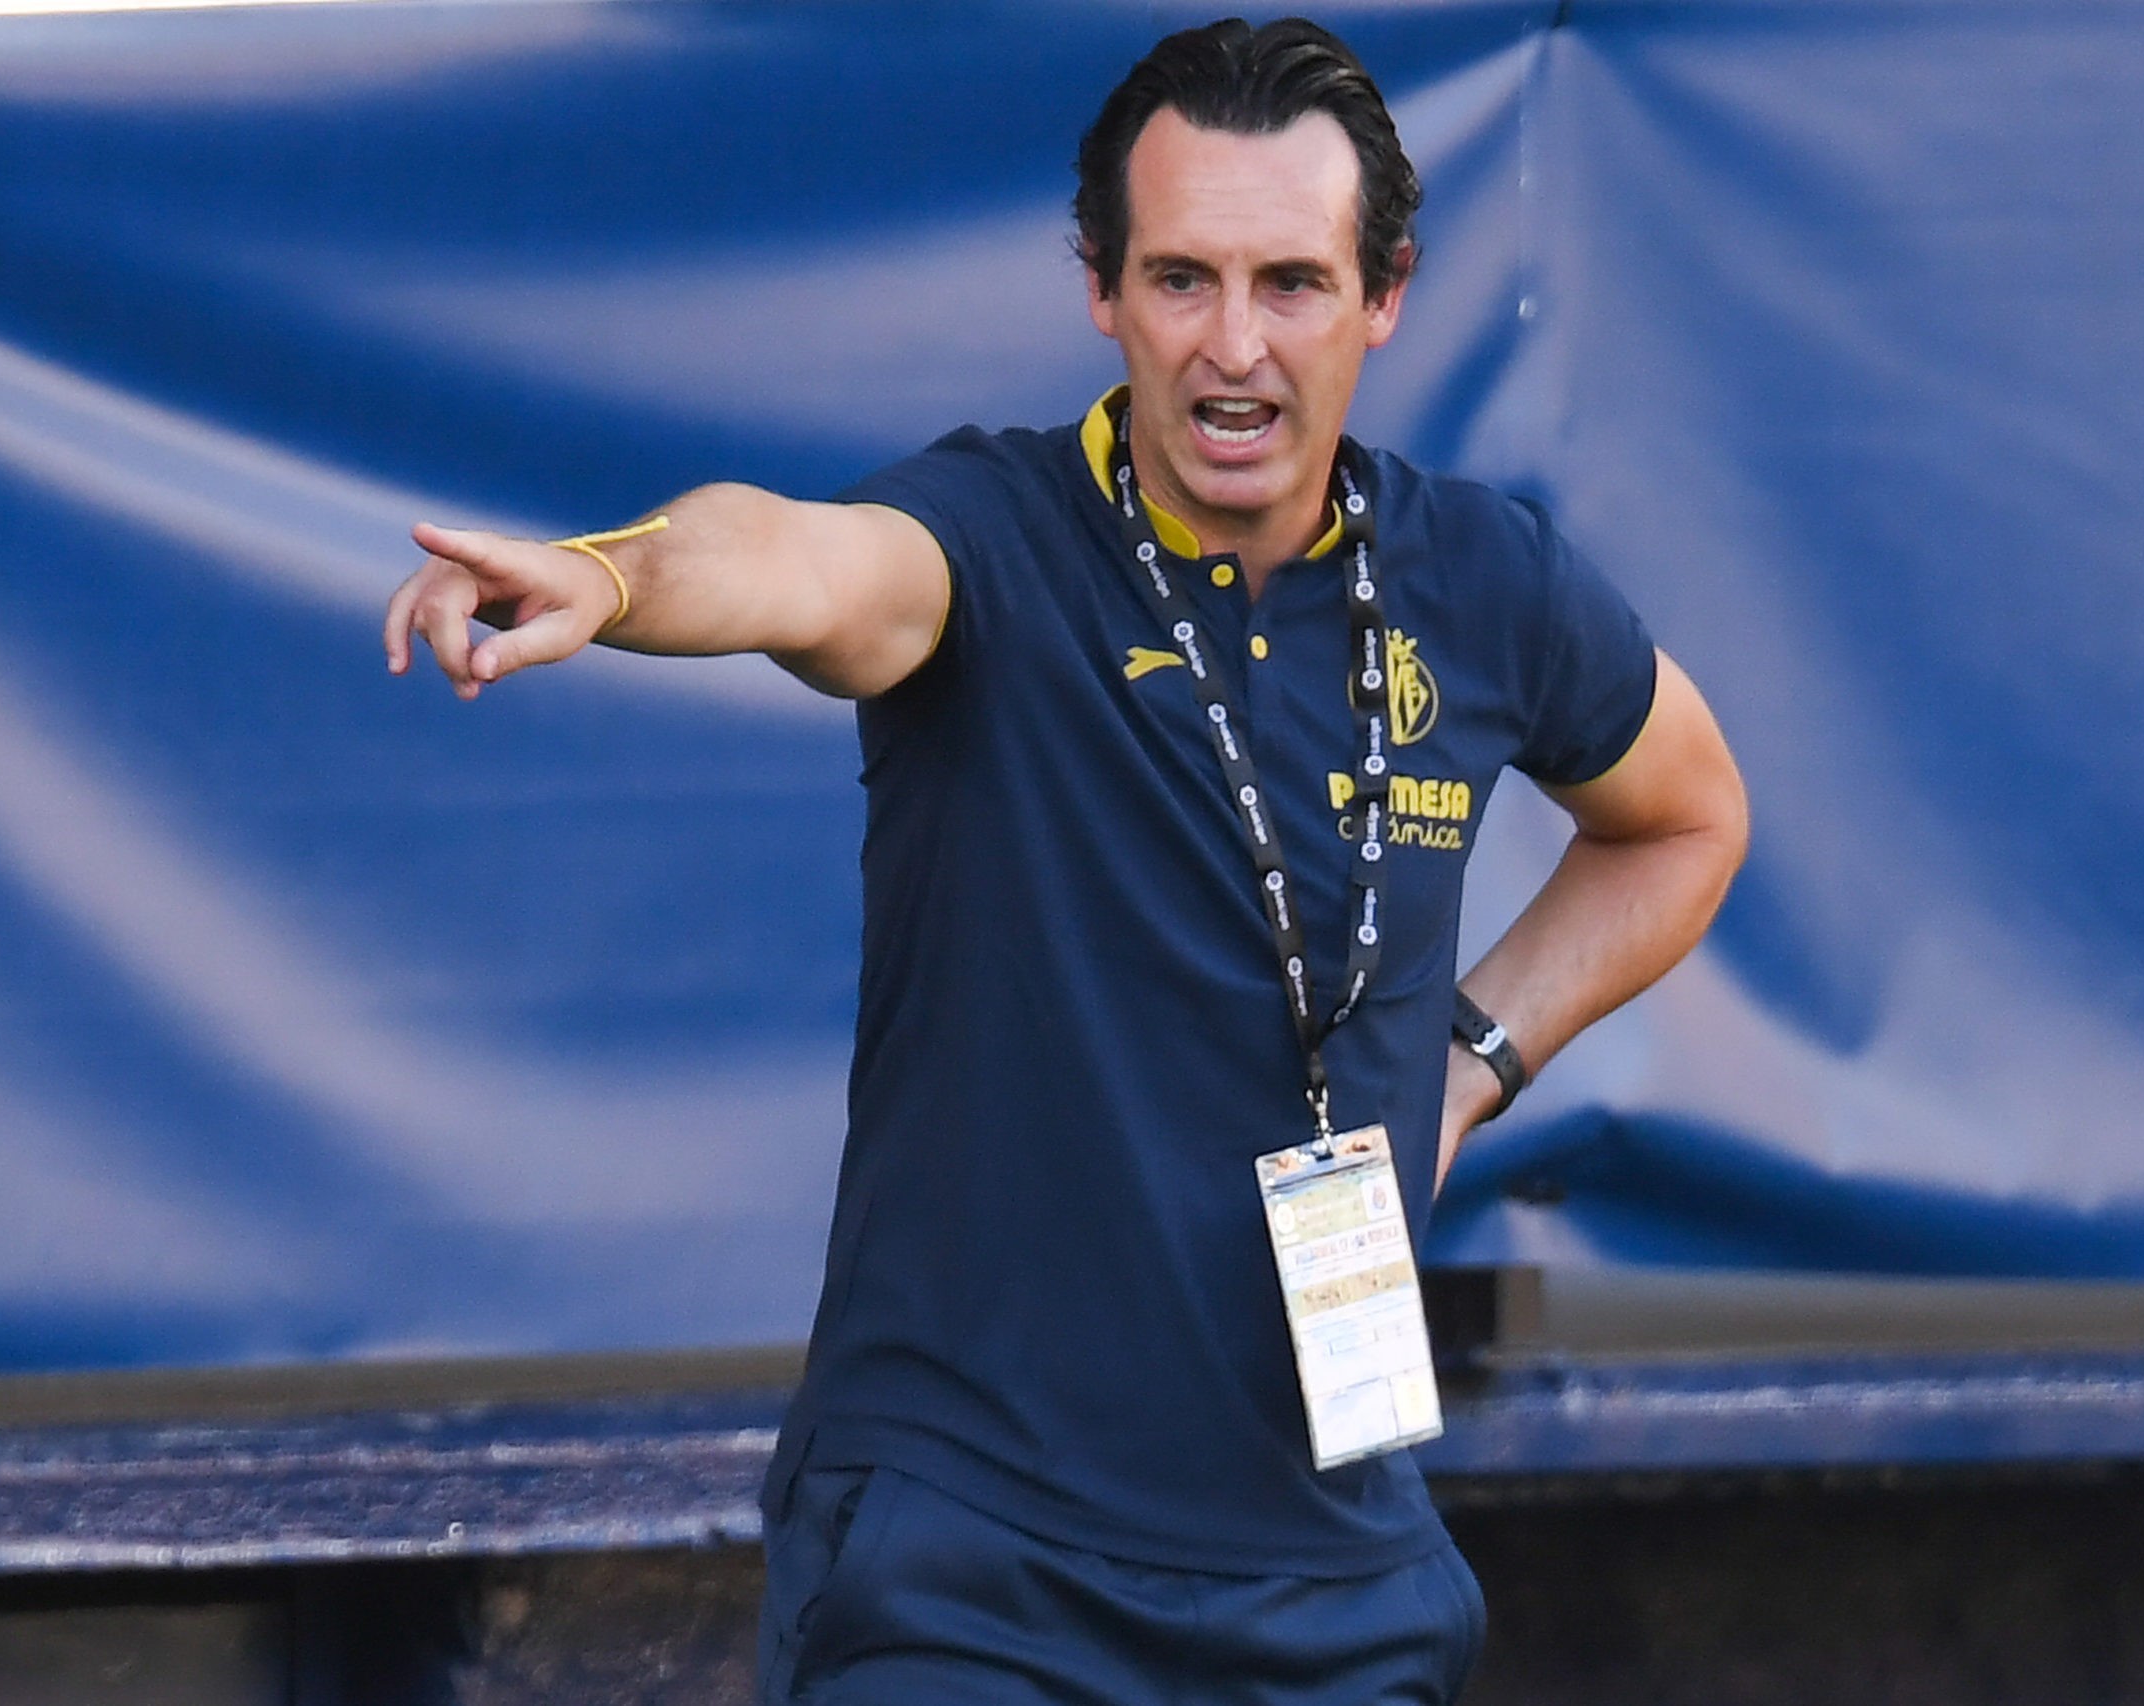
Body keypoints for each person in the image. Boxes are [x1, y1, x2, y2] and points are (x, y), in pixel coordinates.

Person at [384, 17, 1746, 1703]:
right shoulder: (997, 542)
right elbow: (799, 559)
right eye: (1180, 279)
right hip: (971, 1571)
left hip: (1332, 1582)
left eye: (1291, 285)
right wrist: (618, 573)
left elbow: (1688, 818)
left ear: (1386, 294)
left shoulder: (1485, 585)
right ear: (1100, 286)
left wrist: (1470, 1065)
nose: (1231, 348)